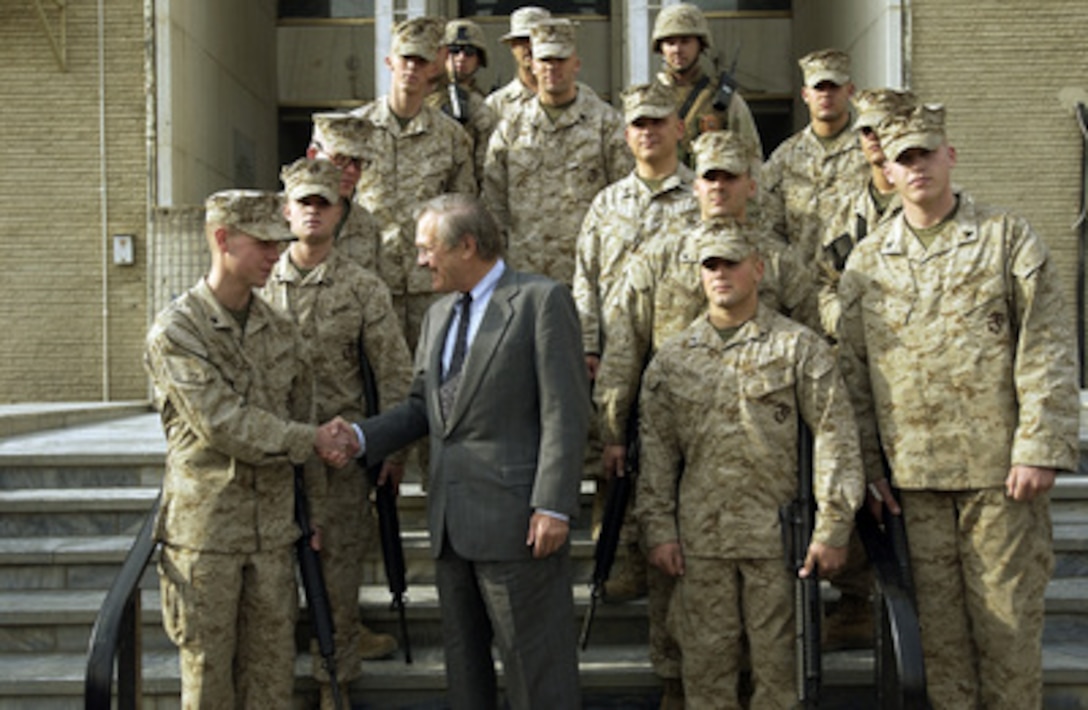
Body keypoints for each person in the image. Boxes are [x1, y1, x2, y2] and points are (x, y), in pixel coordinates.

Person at [837, 103, 1080, 708]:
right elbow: (854, 374)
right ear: (886, 172)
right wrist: (868, 466)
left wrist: (1039, 447)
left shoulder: (1006, 238)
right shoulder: (867, 262)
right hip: (913, 484)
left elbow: (1047, 345)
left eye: (926, 153)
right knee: (939, 648)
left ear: (950, 156)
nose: (916, 166)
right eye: (903, 158)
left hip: (1000, 480)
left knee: (1007, 637)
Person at [325, 193, 589, 710]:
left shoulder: (540, 300)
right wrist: (360, 438)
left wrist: (553, 503)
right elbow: (424, 408)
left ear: (467, 245)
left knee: (536, 670)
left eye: (429, 249)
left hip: (520, 525)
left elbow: (566, 410)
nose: (421, 262)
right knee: (465, 673)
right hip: (451, 525)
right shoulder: (439, 314)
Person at [594, 129, 812, 709]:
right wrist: (613, 432)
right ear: (694, 183)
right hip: (678, 438)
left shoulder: (779, 261)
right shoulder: (659, 255)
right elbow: (624, 346)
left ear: (751, 184)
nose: (718, 187)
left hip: (761, 449)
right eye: (708, 176)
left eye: (729, 176)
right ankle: (675, 681)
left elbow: (815, 342)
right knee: (675, 574)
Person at [637, 221, 864, 709]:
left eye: (731, 263)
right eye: (710, 265)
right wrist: (659, 529)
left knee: (780, 681)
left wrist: (833, 526)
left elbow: (835, 436)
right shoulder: (673, 359)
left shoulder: (798, 348)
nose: (721, 274)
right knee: (706, 676)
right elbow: (656, 453)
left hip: (778, 545)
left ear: (758, 270)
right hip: (702, 544)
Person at [143, 189, 352, 708]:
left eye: (278, 243)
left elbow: (302, 412)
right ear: (221, 238)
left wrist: (317, 512)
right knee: (209, 681)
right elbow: (223, 423)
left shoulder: (279, 329)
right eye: (261, 243)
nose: (274, 255)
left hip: (274, 537)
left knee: (271, 683)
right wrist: (312, 440)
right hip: (207, 537)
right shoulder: (177, 331)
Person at [262, 159, 413, 704]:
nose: (312, 212)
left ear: (339, 211)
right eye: (303, 202)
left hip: (341, 461)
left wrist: (391, 449)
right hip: (275, 459)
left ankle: (335, 687)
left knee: (340, 578)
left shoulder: (362, 288)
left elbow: (395, 371)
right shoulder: (261, 285)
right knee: (274, 586)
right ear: (286, 210)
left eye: (323, 203)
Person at [571, 80, 695, 606]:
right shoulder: (607, 204)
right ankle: (619, 560)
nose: (648, 132)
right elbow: (586, 279)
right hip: (617, 356)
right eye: (639, 124)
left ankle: (669, 556)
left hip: (677, 349)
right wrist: (589, 345)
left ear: (679, 128)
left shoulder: (699, 198)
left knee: (674, 461)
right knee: (613, 457)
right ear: (626, 134)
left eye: (657, 122)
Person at [349, 16, 476, 351]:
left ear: (435, 66)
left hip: (429, 285)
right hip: (367, 279)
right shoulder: (354, 131)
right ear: (390, 61)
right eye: (406, 59)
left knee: (433, 377)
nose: (412, 69)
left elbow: (463, 213)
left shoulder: (451, 137)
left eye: (421, 61)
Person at [483, 18, 633, 286]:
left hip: (586, 275)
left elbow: (622, 198)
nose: (552, 68)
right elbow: (495, 202)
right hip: (524, 274)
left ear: (576, 63)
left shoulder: (605, 123)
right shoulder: (511, 128)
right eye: (545, 60)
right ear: (533, 63)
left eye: (560, 59)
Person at [815, 88, 915, 341]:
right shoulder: (845, 211)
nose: (872, 137)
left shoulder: (925, 209)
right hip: (859, 355)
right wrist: (842, 322)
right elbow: (825, 282)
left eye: (881, 127)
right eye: (865, 130)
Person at [761, 48, 868, 266]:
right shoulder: (785, 157)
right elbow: (768, 226)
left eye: (834, 87)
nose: (826, 95)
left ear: (850, 91)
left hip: (859, 284)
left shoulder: (870, 153)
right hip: (803, 288)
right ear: (805, 95)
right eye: (819, 88)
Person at [650, 2, 762, 166]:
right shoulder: (649, 100)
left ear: (700, 45)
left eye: (685, 41)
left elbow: (752, 158)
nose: (677, 49)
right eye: (670, 42)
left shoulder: (725, 101)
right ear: (661, 48)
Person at [425, 19, 499, 190]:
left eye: (469, 52)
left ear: (479, 59)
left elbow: (487, 166)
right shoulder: (424, 98)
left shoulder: (485, 106)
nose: (461, 58)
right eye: (454, 50)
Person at [307, 112, 382, 273]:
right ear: (313, 155)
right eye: (340, 159)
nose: (351, 170)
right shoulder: (279, 214)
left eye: (358, 162)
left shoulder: (367, 224)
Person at [485, 6, 551, 122]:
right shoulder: (496, 105)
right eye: (521, 40)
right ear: (512, 46)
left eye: (535, 39)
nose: (529, 47)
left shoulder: (578, 99)